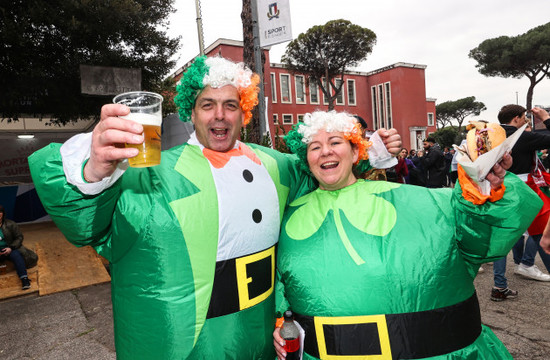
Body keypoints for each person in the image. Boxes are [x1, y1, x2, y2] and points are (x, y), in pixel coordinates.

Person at [28, 56, 402, 359]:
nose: (220, 115)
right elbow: (86, 227)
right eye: (208, 105)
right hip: (187, 343)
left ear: (244, 114)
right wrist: (95, 168)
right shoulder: (149, 173)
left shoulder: (276, 164)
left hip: (260, 334)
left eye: (230, 106)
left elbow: (323, 170)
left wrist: (373, 152)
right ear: (191, 112)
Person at [272, 111, 541, 359]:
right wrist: (280, 321)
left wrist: (485, 185)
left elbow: (480, 237)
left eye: (335, 142)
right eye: (314, 147)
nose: (325, 152)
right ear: (306, 158)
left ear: (357, 153)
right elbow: (278, 281)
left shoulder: (424, 202)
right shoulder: (289, 217)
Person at [491, 105, 550, 301]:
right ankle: (525, 264)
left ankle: (499, 285)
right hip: (523, 188)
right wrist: (546, 117)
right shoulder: (521, 136)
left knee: (503, 236)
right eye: (524, 117)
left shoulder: (490, 135)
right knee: (541, 230)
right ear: (516, 118)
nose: (526, 121)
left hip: (497, 187)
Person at [0, 205, 38, 290]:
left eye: (0, 212)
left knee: (16, 255)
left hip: (9, 248)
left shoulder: (10, 224)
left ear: (3, 214)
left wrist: (10, 248)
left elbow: (19, 237)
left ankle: (24, 279)